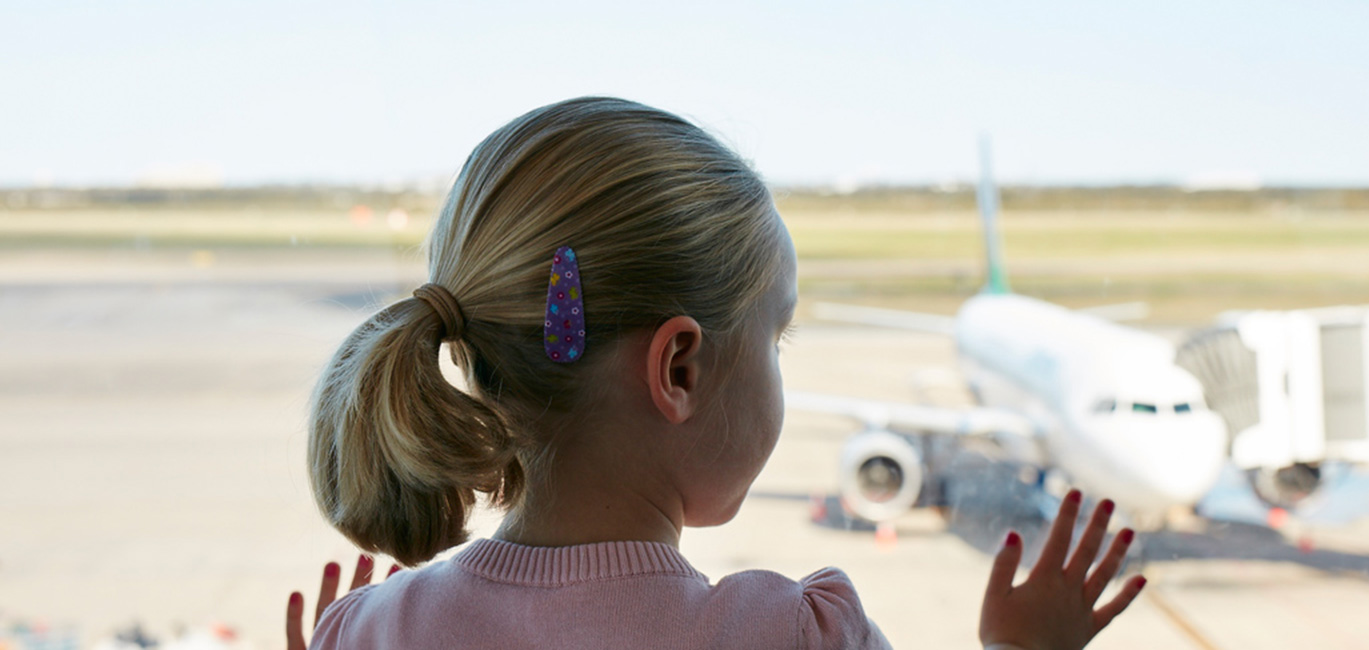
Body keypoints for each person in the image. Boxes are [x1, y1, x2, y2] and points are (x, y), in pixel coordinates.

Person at [284, 96, 1146, 650]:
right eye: (778, 338)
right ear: (681, 369)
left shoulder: (368, 633)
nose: (778, 366)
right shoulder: (795, 638)